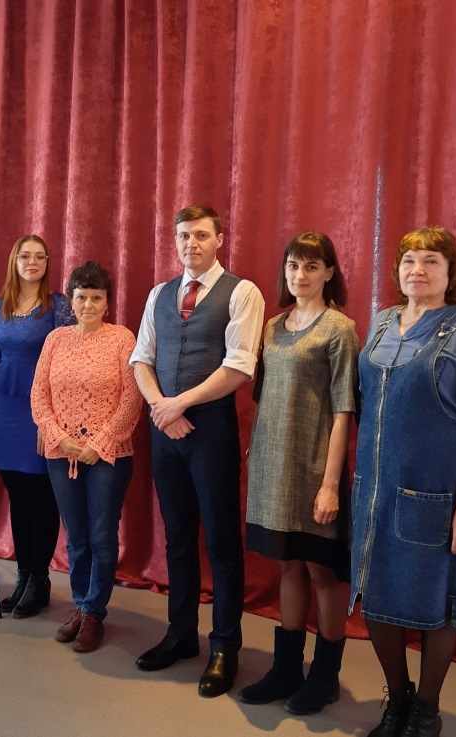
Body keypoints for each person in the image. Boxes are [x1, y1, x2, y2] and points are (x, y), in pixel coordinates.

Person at [351, 227, 456, 737]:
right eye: (409, 260)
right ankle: (397, 701)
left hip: (436, 499)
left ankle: (427, 712)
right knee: (375, 597)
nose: (417, 269)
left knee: (438, 605)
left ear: (450, 271)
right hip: (375, 493)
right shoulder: (380, 322)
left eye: (431, 260)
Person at [130, 204, 265, 698]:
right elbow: (141, 358)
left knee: (222, 542)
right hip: (165, 429)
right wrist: (161, 408)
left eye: (202, 235)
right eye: (184, 236)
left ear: (219, 239)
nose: (192, 244)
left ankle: (225, 647)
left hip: (210, 431)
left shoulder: (242, 292)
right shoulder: (159, 294)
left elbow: (240, 366)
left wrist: (179, 404)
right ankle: (181, 634)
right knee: (179, 538)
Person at [238, 232, 359, 713]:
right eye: (293, 265)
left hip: (314, 470)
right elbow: (264, 398)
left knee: (320, 570)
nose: (300, 275)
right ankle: (286, 669)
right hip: (274, 468)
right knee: (287, 565)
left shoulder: (339, 329)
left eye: (311, 266)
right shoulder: (272, 327)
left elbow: (344, 409)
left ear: (329, 272)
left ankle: (325, 676)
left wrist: (330, 485)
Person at [31, 261, 142, 653]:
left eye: (97, 297)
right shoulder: (56, 340)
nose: (89, 305)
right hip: (61, 454)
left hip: (108, 456)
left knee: (101, 536)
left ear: (108, 303)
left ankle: (94, 613)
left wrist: (100, 442)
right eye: (82, 297)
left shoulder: (122, 339)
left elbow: (132, 397)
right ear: (71, 301)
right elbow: (39, 394)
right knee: (76, 536)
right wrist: (59, 438)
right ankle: (80, 606)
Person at [0, 234, 74, 619]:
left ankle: (39, 578)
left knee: (42, 495)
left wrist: (54, 420)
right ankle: (23, 575)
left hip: (42, 410)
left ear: (47, 263)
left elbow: (68, 363)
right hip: (5, 408)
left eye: (39, 257)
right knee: (17, 493)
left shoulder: (59, 306)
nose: (32, 262)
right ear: (14, 261)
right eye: (25, 256)